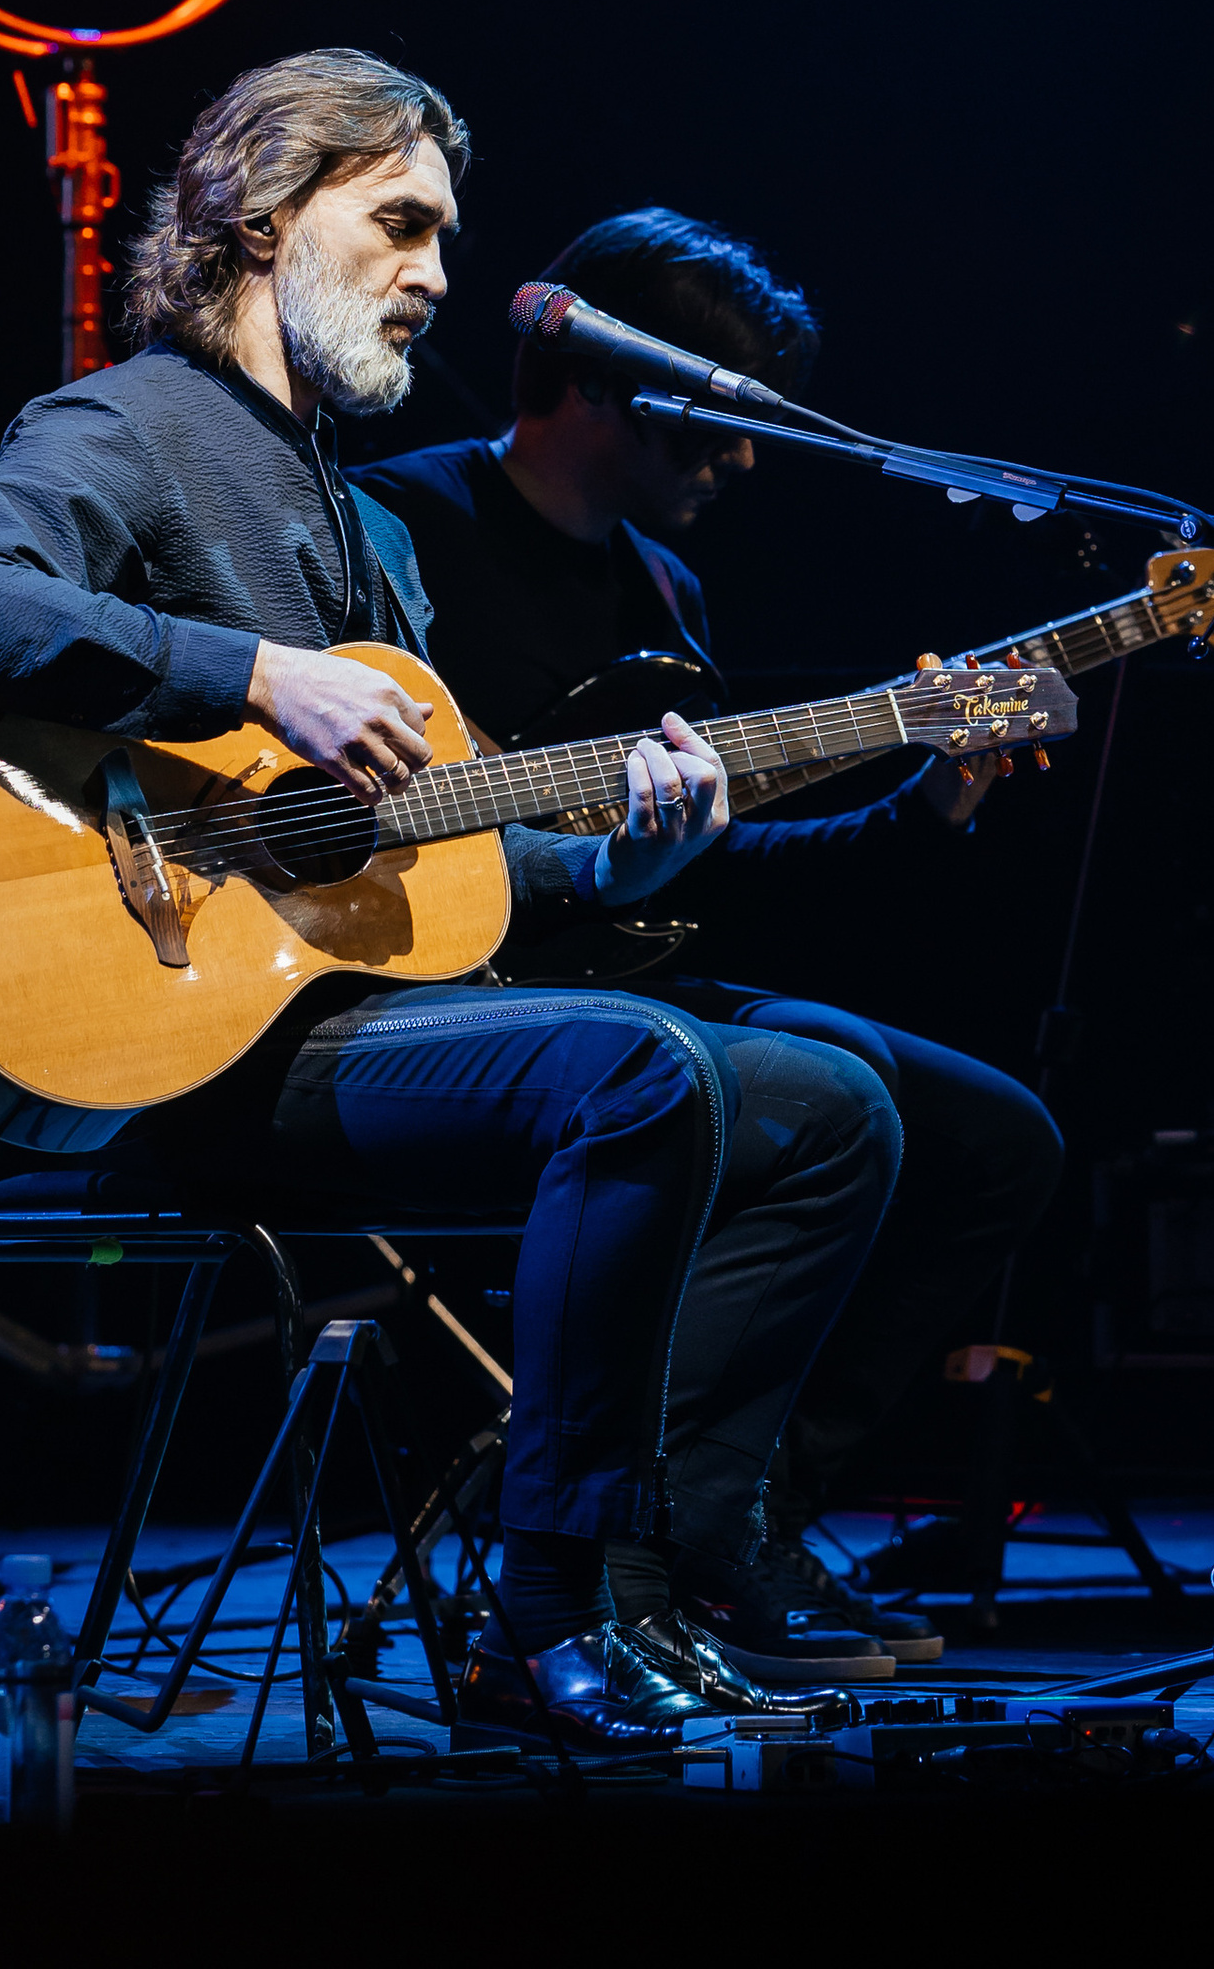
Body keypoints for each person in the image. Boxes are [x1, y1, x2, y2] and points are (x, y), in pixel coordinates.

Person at [0, 52, 902, 1749]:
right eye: (401, 224)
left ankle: (674, 1562)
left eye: (443, 233)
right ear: (264, 218)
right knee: (643, 1071)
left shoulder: (358, 527)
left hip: (346, 1018)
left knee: (835, 1109)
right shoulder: (124, 426)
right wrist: (254, 674)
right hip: (187, 1046)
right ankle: (548, 1611)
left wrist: (629, 853)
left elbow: (440, 845)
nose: (438, 275)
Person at [358, 209, 1064, 1672]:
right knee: (836, 1073)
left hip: (636, 980)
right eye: (719, 427)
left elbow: (717, 875)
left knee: (1000, 1140)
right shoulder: (397, 530)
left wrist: (927, 801)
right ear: (608, 392)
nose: (743, 463)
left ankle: (732, 1522)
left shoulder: (665, 595)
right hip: (451, 1004)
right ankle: (643, 1537)